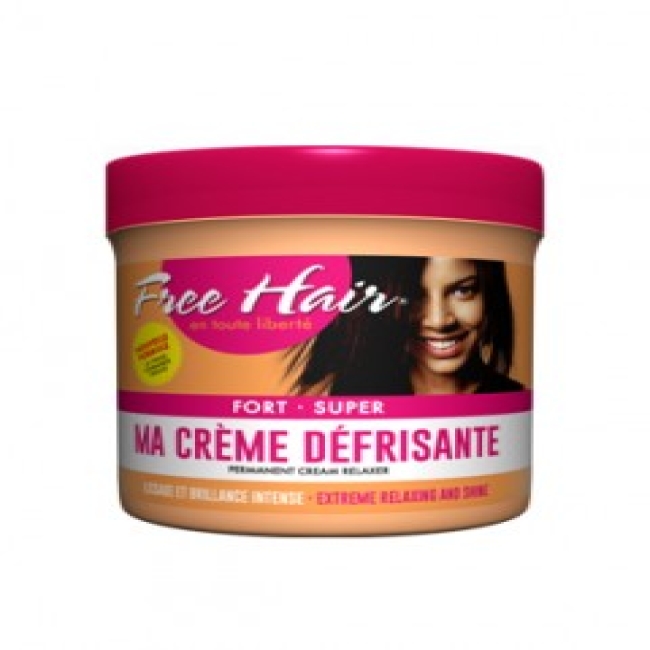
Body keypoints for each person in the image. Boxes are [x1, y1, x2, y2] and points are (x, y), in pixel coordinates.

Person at [286, 256, 523, 395]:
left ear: (491, 294)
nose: (439, 321)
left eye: (463, 291)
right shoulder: (356, 396)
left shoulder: (513, 400)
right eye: (414, 295)